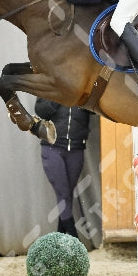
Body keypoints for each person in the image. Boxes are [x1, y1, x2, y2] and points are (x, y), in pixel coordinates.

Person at [34, 97, 93, 238]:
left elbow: (94, 111)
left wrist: (81, 96)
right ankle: (74, 239)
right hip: (52, 148)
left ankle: (59, 240)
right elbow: (41, 111)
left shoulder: (82, 87)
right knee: (63, 194)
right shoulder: (51, 86)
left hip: (76, 148)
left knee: (66, 196)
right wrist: (60, 95)